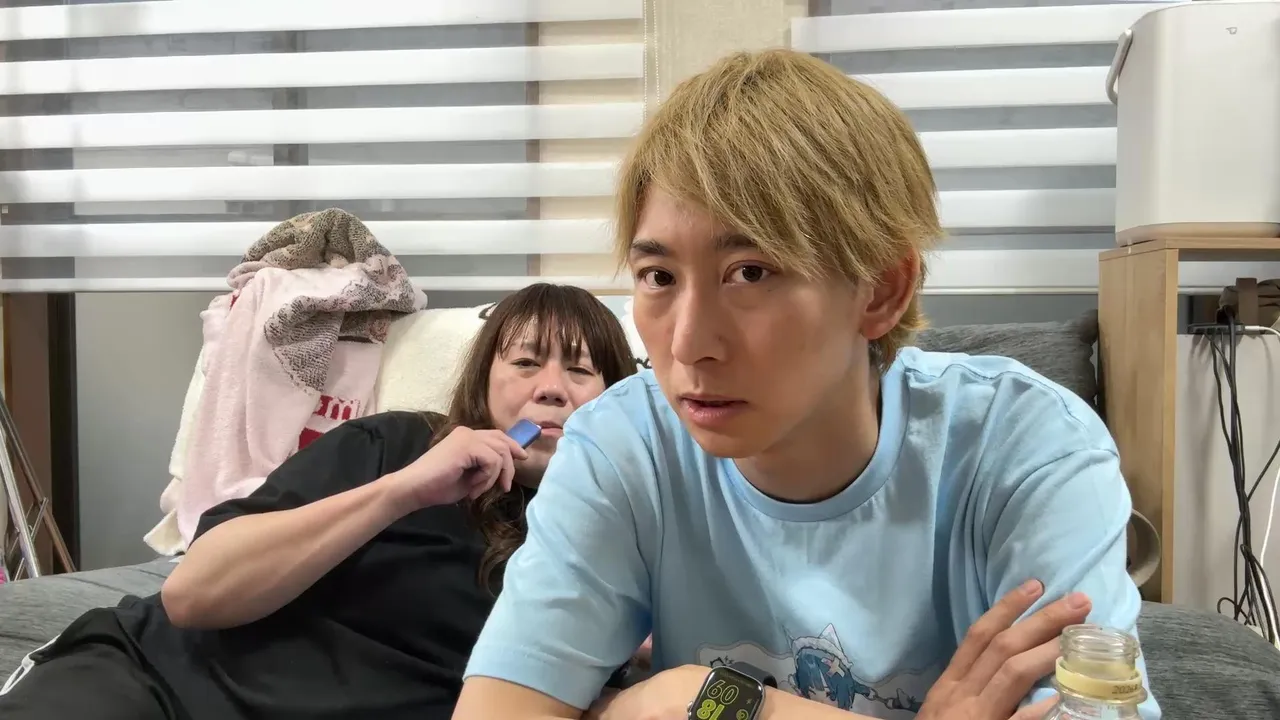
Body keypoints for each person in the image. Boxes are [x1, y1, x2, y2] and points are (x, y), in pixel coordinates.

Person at [453, 50, 1161, 720]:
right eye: (659, 276)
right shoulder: (622, 446)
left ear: (881, 290)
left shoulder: (1025, 445)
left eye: (750, 272)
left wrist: (714, 704)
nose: (688, 343)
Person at [0, 283, 638, 720]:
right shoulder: (399, 443)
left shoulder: (613, 542)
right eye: (525, 362)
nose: (551, 388)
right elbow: (191, 595)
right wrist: (403, 490)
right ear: (484, 383)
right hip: (157, 686)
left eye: (581, 370)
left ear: (619, 398)